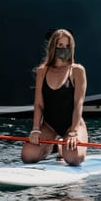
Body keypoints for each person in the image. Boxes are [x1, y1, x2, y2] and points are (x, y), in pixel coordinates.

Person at [21, 29, 88, 166]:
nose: (64, 49)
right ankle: (53, 146)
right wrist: (35, 129)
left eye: (67, 46)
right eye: (60, 46)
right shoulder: (42, 71)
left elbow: (78, 104)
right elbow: (39, 104)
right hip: (49, 126)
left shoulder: (77, 70)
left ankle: (65, 145)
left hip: (72, 125)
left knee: (74, 159)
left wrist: (73, 132)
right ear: (53, 47)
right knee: (27, 156)